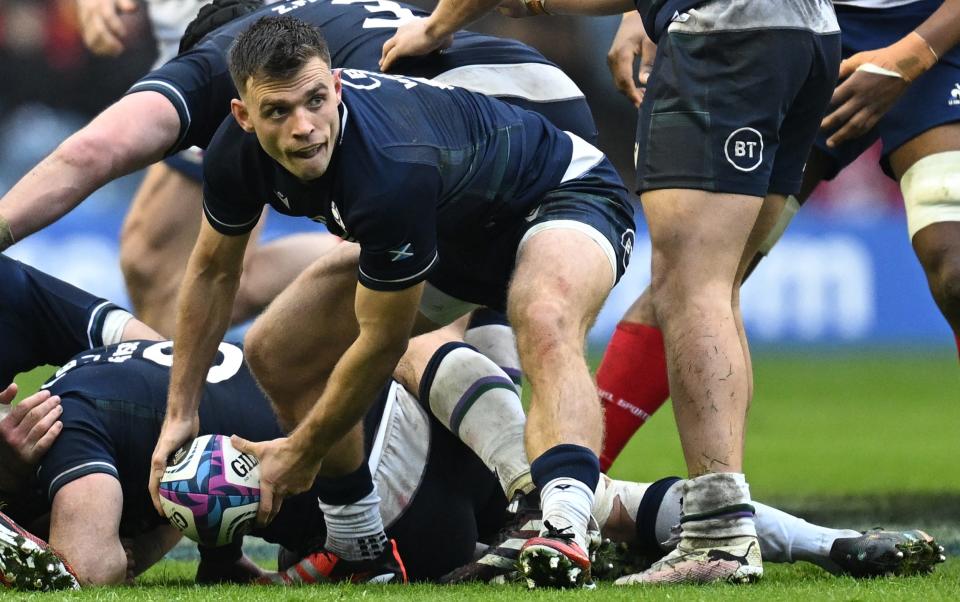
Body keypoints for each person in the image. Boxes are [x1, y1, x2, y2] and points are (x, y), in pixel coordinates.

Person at [0, 260, 945, 589]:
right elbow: (175, 384)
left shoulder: (64, 428)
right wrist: (197, 526)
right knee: (393, 348)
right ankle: (825, 542)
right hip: (404, 457)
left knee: (399, 345)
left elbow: (83, 571)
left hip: (380, 513)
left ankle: (545, 504)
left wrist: (157, 518)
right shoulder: (102, 380)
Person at [147, 14, 635, 589]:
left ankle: (565, 531)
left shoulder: (389, 169)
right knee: (279, 349)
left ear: (337, 86)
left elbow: (382, 343)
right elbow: (210, 271)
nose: (304, 127)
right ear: (243, 117)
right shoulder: (234, 155)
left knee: (544, 316)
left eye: (314, 101)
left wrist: (302, 451)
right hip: (451, 232)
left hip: (562, 194)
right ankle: (357, 546)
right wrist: (179, 415)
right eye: (279, 112)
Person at [0, 0, 596, 336]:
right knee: (197, 279)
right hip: (535, 104)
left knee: (369, 310)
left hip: (490, 126)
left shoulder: (241, 74)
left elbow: (92, 152)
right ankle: (524, 487)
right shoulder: (293, 54)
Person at [597, 0, 960, 473]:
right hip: (794, 22)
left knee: (955, 266)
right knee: (697, 272)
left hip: (938, 29)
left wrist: (913, 54)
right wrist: (637, 12)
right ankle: (569, 483)